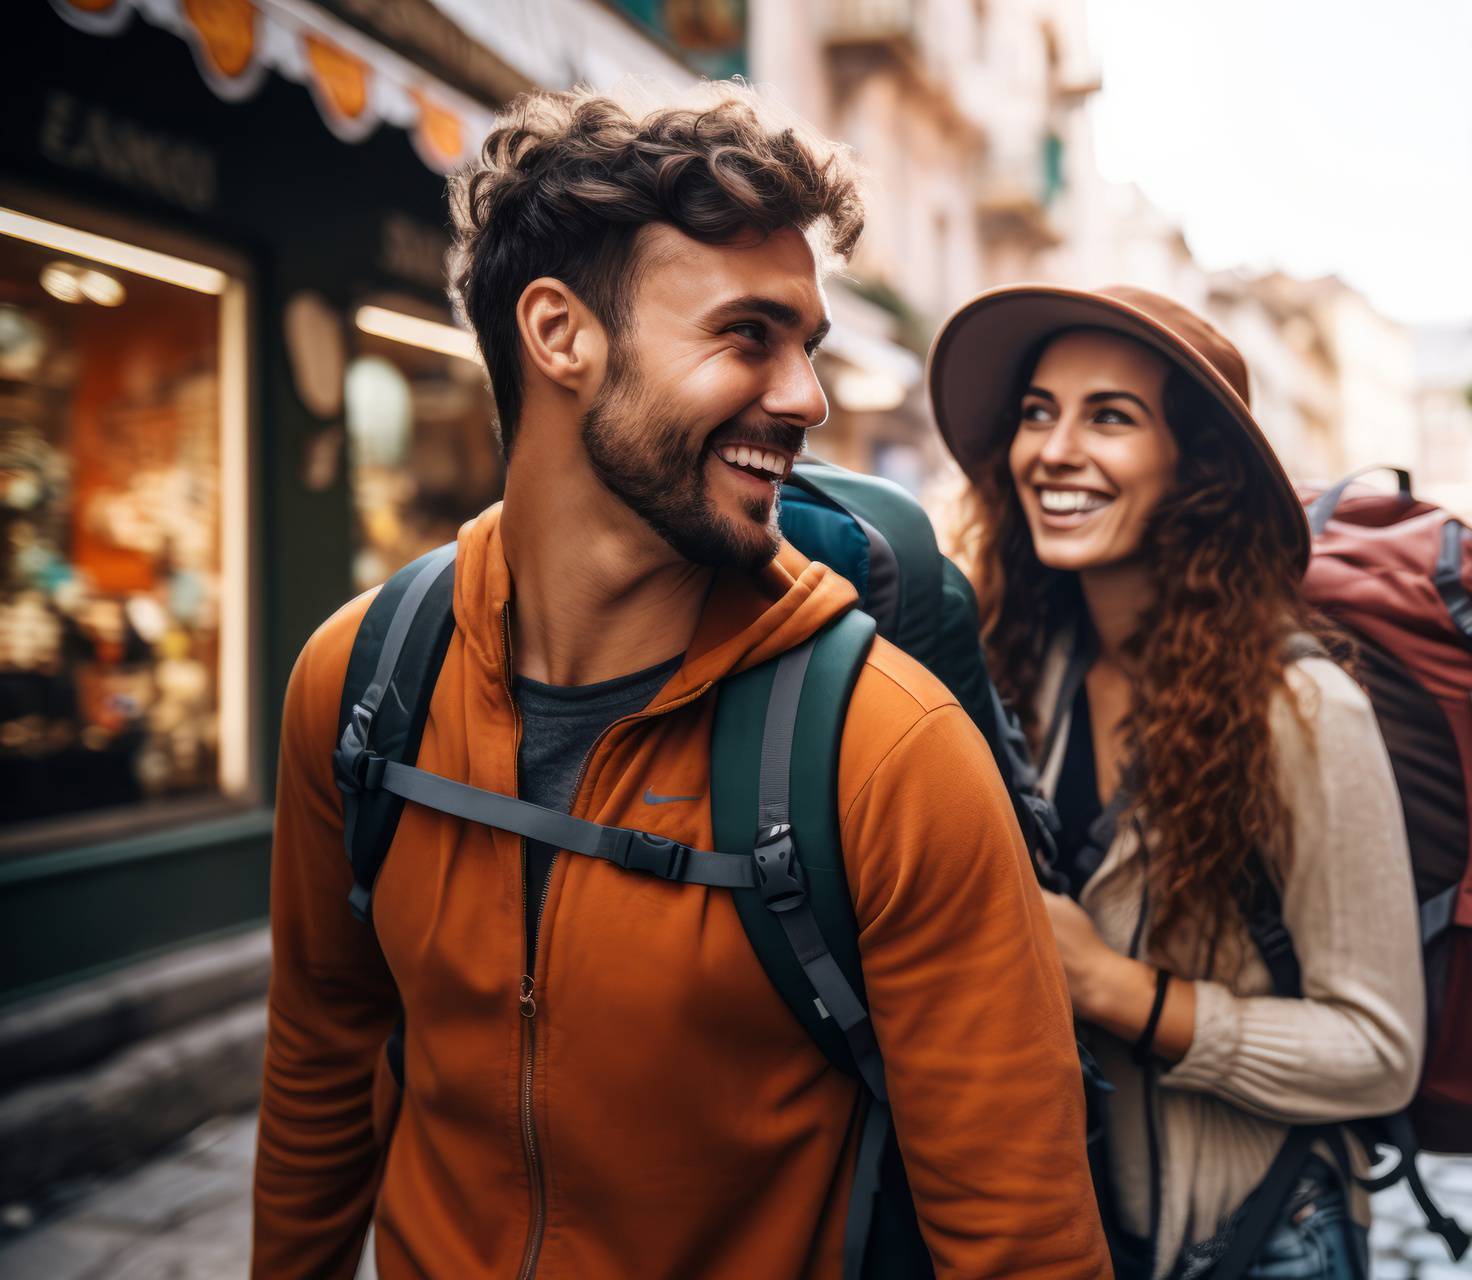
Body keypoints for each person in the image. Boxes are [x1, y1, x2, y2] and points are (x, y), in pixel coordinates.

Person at [252, 86, 1107, 1278]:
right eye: (748, 334)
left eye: (805, 343)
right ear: (559, 334)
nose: (805, 395)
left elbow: (1021, 1244)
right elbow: (321, 1059)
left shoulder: (892, 753)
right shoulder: (356, 680)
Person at [931, 283, 1424, 1280]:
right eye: (1038, 411)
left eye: (1110, 415)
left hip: (1261, 1236)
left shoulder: (1303, 711)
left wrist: (1115, 988)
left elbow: (1380, 1047)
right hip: (1083, 1232)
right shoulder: (1027, 664)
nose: (1055, 450)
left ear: (1196, 467)